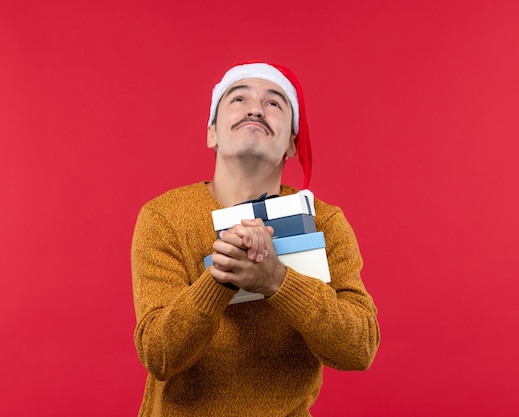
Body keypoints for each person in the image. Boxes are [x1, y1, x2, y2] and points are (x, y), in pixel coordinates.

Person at [130, 62, 380, 416]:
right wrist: (223, 276)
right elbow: (160, 355)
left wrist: (277, 281)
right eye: (238, 98)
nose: (254, 109)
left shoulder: (326, 222)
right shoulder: (164, 217)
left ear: (292, 143)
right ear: (212, 133)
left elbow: (359, 347)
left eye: (274, 103)